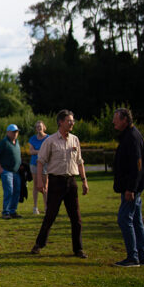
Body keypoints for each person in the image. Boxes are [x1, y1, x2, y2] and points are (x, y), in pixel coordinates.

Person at [30, 109, 88, 258]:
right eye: (69, 121)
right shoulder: (50, 141)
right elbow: (40, 161)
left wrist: (84, 181)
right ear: (60, 122)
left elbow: (80, 162)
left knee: (76, 218)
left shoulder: (75, 140)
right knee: (50, 216)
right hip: (56, 182)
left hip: (71, 182)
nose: (72, 123)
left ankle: (78, 249)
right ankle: (39, 244)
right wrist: (40, 182)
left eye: (72, 120)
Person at [112, 108, 144, 267]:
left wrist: (131, 188)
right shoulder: (130, 135)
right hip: (133, 186)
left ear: (125, 120)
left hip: (132, 187)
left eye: (116, 119)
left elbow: (137, 165)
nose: (113, 122)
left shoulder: (132, 137)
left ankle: (133, 257)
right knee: (136, 220)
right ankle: (143, 256)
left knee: (124, 219)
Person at [0, 124, 22, 219]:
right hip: (7, 171)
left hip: (16, 171)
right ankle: (6, 212)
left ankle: (12, 211)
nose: (15, 134)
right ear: (8, 132)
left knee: (16, 191)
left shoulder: (16, 142)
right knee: (9, 191)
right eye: (13, 132)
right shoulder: (4, 142)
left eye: (16, 132)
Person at [28, 120, 48, 214]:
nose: (39, 128)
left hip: (45, 164)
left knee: (45, 185)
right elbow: (31, 151)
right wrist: (41, 151)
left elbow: (49, 151)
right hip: (34, 164)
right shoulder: (32, 139)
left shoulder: (48, 138)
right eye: (37, 127)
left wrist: (37, 151)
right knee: (36, 185)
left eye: (40, 126)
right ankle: (35, 207)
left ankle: (46, 206)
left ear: (44, 127)